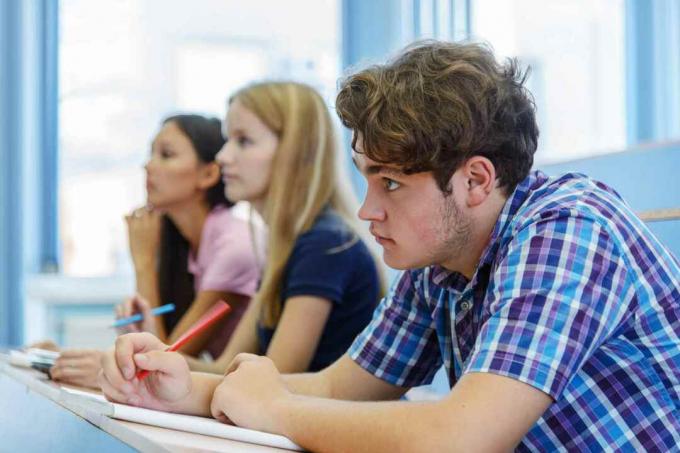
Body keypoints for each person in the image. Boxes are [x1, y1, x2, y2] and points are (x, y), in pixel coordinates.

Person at [99, 41, 680, 451]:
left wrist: (272, 409)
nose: (367, 209)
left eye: (392, 182)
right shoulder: (442, 265)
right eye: (368, 177)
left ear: (476, 181)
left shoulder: (568, 230)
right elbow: (338, 387)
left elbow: (461, 437)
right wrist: (183, 391)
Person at [177, 81, 381, 375]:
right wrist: (149, 361)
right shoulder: (287, 245)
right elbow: (225, 369)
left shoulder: (323, 245)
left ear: (294, 152)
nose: (222, 157)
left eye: (243, 141)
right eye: (227, 141)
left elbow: (274, 381)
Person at [47, 114, 261, 388]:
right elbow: (159, 349)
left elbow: (165, 363)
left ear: (208, 174)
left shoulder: (234, 246)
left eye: (166, 155)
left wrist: (144, 262)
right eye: (151, 154)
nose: (148, 165)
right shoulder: (191, 243)